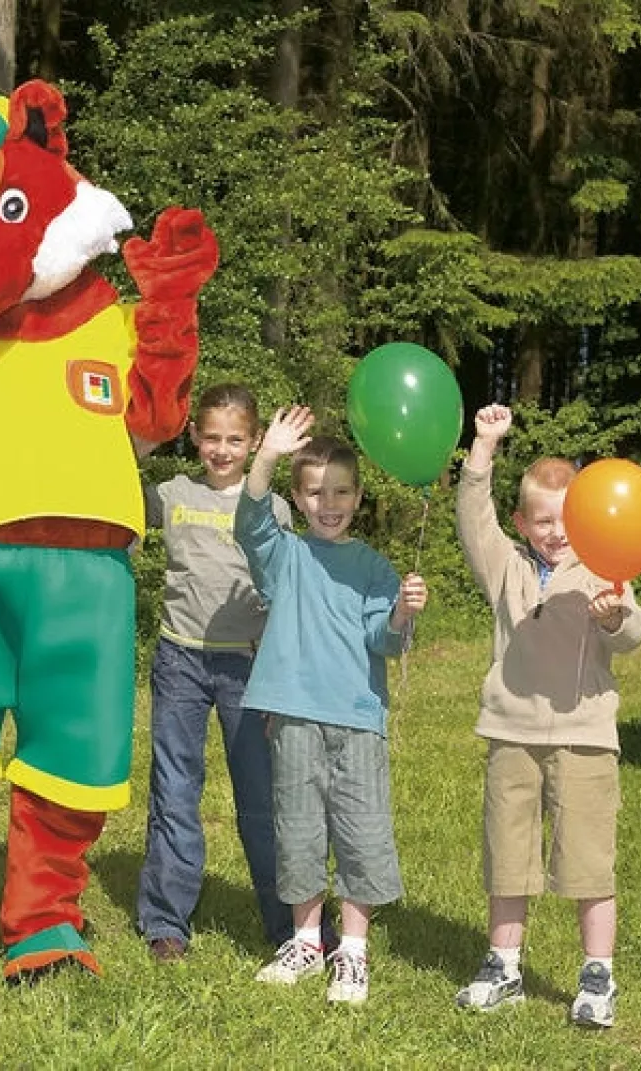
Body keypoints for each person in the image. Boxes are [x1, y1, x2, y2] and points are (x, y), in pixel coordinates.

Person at [452, 404, 641, 1029]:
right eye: (541, 521)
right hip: (510, 734)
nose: (555, 533)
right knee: (507, 857)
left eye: (565, 521)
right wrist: (483, 447)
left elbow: (635, 629)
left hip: (585, 737)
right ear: (523, 521)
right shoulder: (505, 567)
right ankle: (503, 965)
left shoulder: (603, 567)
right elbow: (472, 517)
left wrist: (613, 618)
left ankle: (598, 976)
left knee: (588, 861)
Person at [238, 406, 427, 1005]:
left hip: (358, 719)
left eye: (341, 491)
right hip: (292, 715)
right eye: (316, 492)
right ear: (295, 497)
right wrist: (266, 454)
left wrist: (402, 611)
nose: (329, 502)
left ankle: (353, 949)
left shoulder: (374, 566)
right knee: (297, 829)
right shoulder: (284, 554)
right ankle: (305, 941)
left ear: (358, 495)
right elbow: (249, 523)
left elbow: (384, 640)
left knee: (361, 831)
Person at [135, 383, 294, 962]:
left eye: (235, 439)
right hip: (180, 661)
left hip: (249, 668)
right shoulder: (171, 492)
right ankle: (165, 921)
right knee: (175, 792)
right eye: (210, 438)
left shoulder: (271, 507)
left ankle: (287, 925)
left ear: (254, 443)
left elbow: (287, 587)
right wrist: (140, 442)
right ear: (195, 438)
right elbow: (111, 490)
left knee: (260, 796)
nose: (221, 450)